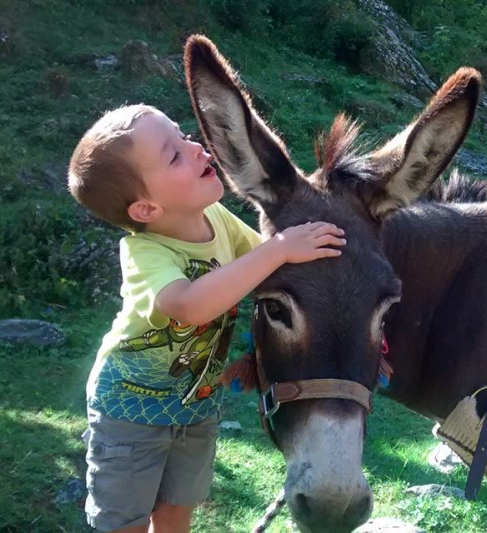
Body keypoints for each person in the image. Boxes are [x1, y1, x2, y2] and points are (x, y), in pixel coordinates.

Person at [67, 103, 346, 532]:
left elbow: (268, 268)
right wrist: (279, 248)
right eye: (174, 154)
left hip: (195, 407)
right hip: (129, 413)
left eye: (183, 136)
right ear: (145, 209)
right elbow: (189, 304)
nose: (195, 147)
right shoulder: (145, 253)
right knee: (127, 523)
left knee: (178, 511)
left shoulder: (215, 218)